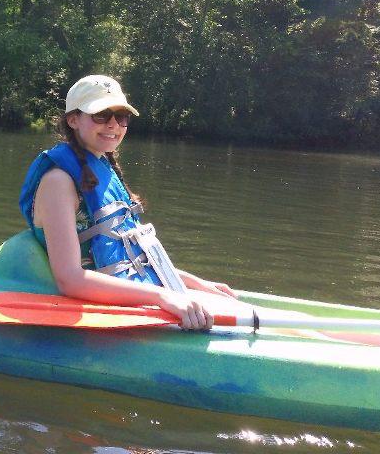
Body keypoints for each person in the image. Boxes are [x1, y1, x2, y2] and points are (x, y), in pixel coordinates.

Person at [18, 74, 235, 330]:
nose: (113, 125)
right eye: (100, 115)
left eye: (121, 117)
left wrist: (194, 283)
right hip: (93, 302)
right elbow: (70, 279)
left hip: (132, 294)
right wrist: (164, 297)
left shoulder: (101, 167)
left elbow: (131, 257)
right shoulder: (58, 182)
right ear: (73, 120)